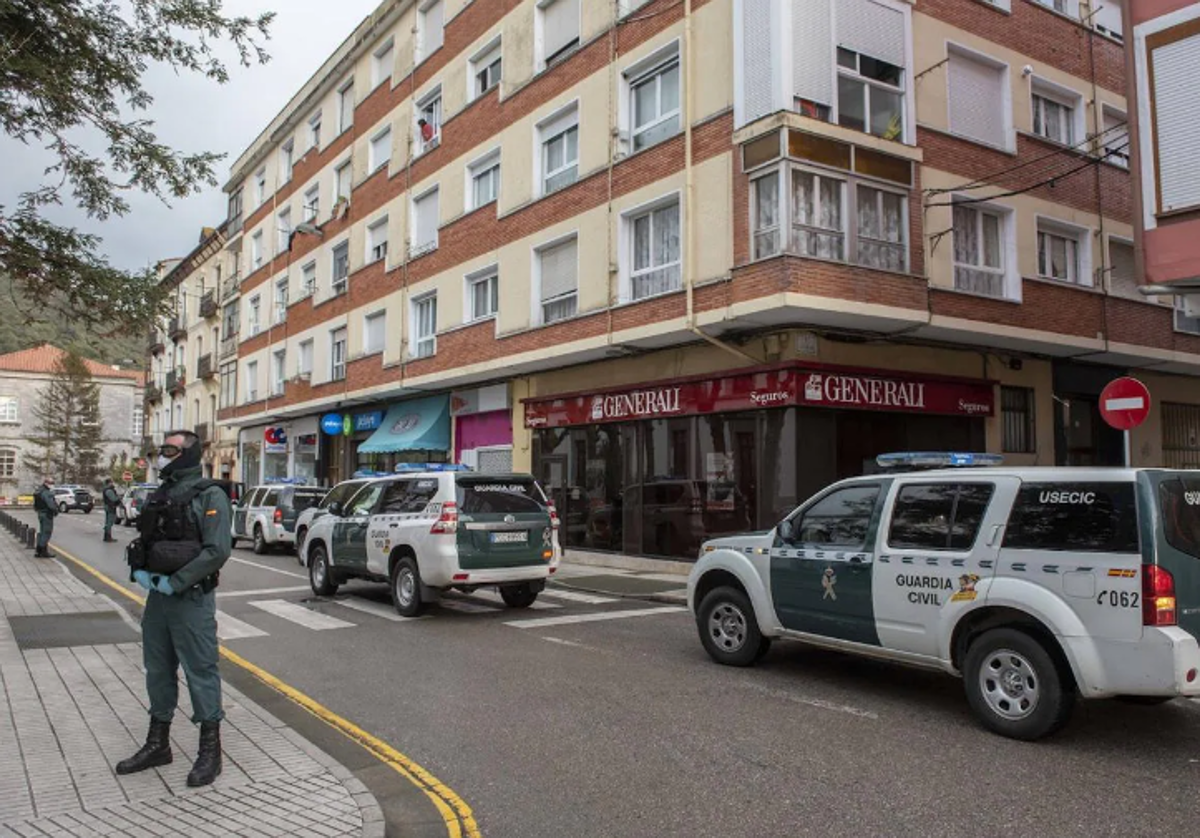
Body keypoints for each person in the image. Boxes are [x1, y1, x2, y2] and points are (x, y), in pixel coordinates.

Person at [115, 430, 232, 788]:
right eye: (162, 449)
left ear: (188, 454)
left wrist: (176, 582)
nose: (163, 455)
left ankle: (210, 751)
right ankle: (158, 743)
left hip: (191, 599)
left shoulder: (210, 495)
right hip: (158, 600)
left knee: (201, 671)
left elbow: (217, 551)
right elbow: (148, 540)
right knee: (157, 670)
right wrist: (143, 572)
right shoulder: (161, 492)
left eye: (170, 449)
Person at [31, 476, 58, 557]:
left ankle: (40, 550)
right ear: (46, 483)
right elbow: (50, 504)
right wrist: (55, 510)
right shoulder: (46, 492)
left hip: (40, 513)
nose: (52, 485)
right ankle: (41, 550)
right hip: (47, 514)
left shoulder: (39, 490)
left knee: (42, 532)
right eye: (51, 483)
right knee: (47, 532)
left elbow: (35, 504)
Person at [102, 478, 121, 542]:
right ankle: (108, 537)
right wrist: (119, 497)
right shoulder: (109, 490)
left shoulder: (106, 489)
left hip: (108, 506)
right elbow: (114, 499)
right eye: (111, 482)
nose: (113, 483)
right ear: (109, 483)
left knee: (108, 522)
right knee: (110, 522)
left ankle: (106, 536)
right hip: (110, 507)